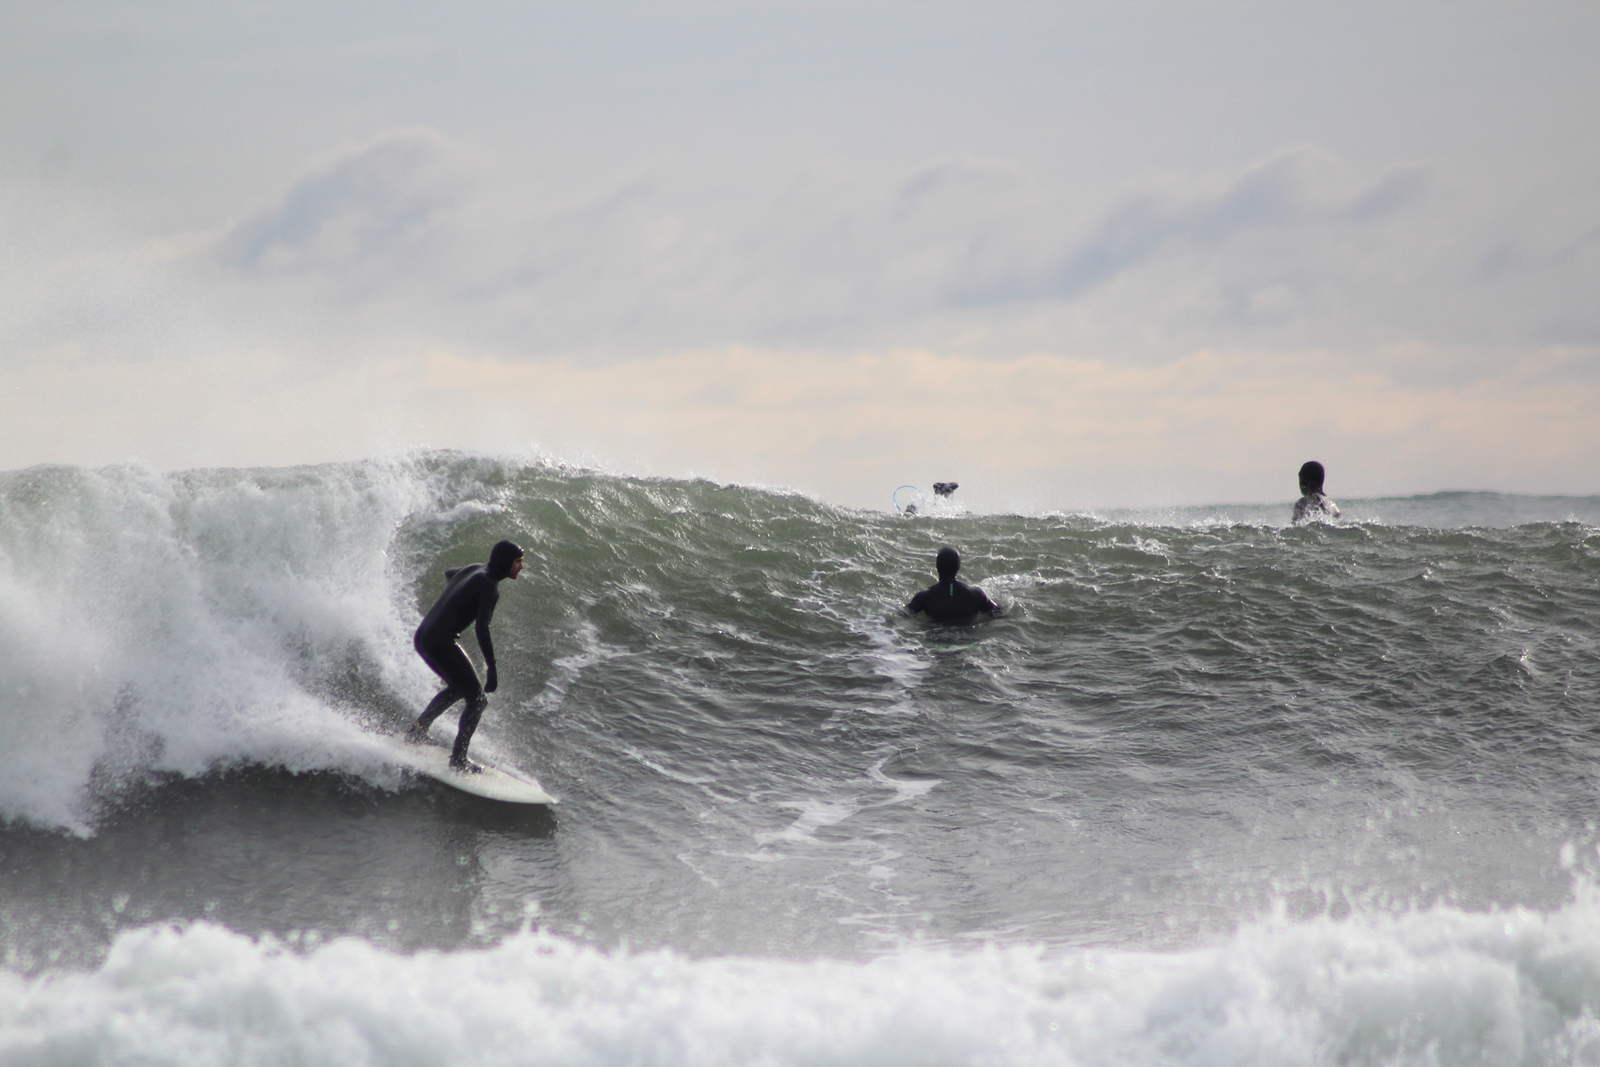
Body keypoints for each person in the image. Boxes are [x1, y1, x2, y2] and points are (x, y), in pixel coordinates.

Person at [406, 539, 524, 770]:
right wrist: (492, 667)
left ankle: (417, 731)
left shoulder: (474, 569)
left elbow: (451, 574)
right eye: (518, 562)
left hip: (424, 636)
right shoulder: (489, 585)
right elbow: (482, 627)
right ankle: (458, 760)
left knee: (459, 688)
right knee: (477, 700)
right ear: (505, 562)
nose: (521, 567)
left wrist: (460, 597)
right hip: (440, 642)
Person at [906, 546, 1003, 624]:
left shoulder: (924, 597)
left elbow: (904, 614)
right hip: (966, 640)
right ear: (958, 567)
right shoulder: (976, 594)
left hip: (935, 640)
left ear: (937, 566)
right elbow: (998, 613)